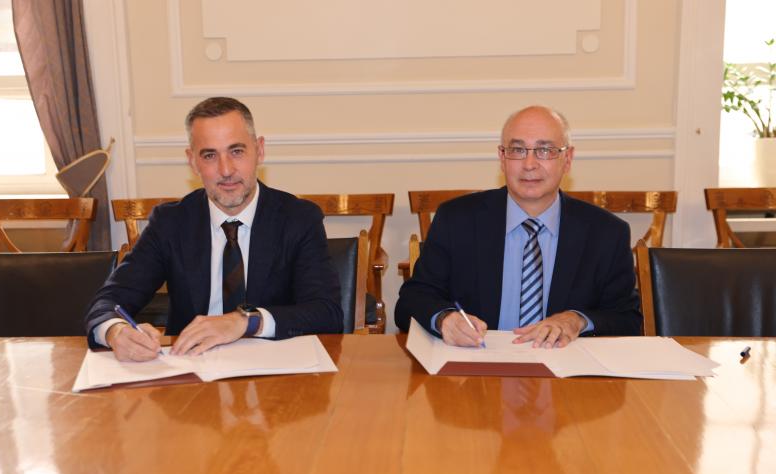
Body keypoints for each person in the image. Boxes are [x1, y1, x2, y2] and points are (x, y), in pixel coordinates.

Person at [86, 97, 342, 360]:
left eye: (237, 151)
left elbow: (327, 313)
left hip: (274, 370)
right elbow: (108, 303)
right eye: (209, 155)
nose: (226, 170)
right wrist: (115, 332)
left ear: (259, 150)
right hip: (191, 369)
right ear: (192, 162)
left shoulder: (298, 218)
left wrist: (246, 321)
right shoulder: (170, 222)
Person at [395, 105, 641, 348]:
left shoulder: (606, 233)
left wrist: (577, 320)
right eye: (517, 150)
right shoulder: (456, 220)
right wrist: (444, 320)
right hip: (478, 365)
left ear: (567, 159)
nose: (529, 164)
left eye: (545, 150)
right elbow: (411, 301)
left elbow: (627, 320)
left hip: (565, 368)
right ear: (502, 158)